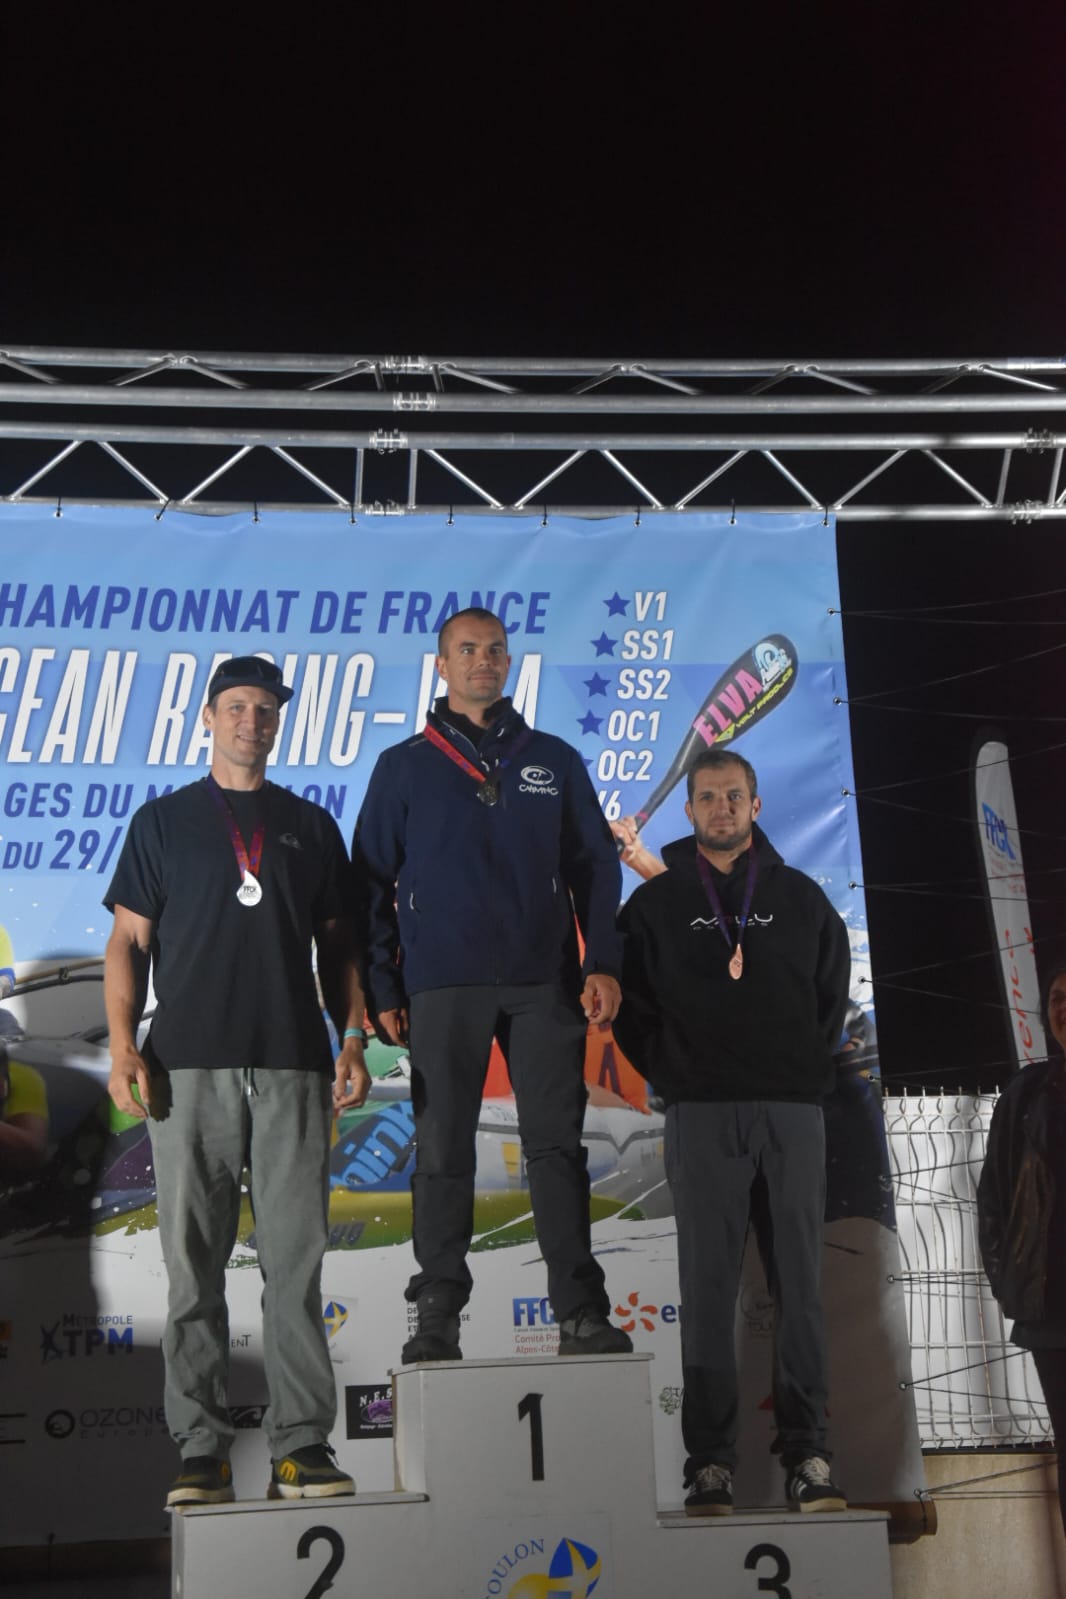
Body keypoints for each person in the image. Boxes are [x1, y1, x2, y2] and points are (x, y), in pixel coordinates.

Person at [104, 655, 371, 1509]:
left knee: (296, 1264)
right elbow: (127, 942)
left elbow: (341, 947)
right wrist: (123, 1046)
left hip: (293, 1063)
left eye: (266, 709)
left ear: (278, 721)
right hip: (185, 1066)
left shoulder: (309, 825)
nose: (252, 720)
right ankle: (201, 1451)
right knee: (193, 1269)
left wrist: (353, 1036)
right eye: (237, 706)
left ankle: (303, 1444)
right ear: (208, 716)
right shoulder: (163, 821)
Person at [353, 607, 632, 1361]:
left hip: (545, 983)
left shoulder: (553, 759)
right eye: (468, 649)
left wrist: (602, 961)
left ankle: (579, 1311)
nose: (484, 659)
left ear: (509, 663)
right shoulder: (405, 765)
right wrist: (383, 985)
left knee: (557, 1148)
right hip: (443, 984)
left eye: (496, 649)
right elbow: (369, 881)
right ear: (442, 665)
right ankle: (437, 1312)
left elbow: (595, 866)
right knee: (442, 1148)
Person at [614, 747, 850, 1515]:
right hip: (702, 1112)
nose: (722, 808)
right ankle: (710, 1463)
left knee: (800, 1288)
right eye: (708, 796)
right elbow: (630, 1006)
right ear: (689, 810)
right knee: (707, 1292)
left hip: (791, 1111)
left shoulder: (801, 897)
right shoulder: (655, 905)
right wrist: (676, 1070)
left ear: (756, 805)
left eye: (734, 796)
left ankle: (809, 1453)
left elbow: (830, 994)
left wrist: (798, 1066)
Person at [978, 959, 1066, 1538]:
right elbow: (994, 1198)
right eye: (1057, 997)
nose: (1064, 1007)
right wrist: (1010, 1284)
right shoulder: (1029, 1091)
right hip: (1054, 1312)